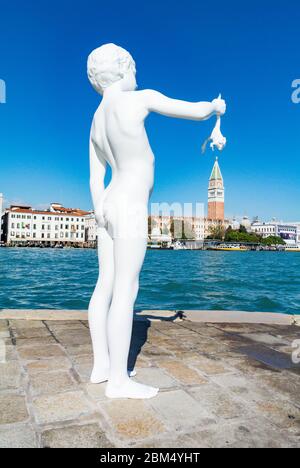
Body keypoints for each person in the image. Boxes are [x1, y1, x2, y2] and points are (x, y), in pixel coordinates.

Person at [87, 43, 226, 399]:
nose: (137, 74)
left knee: (105, 284)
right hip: (130, 201)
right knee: (126, 289)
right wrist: (214, 107)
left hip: (105, 203)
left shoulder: (96, 120)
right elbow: (191, 111)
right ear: (121, 69)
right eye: (133, 68)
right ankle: (119, 381)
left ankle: (101, 366)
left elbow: (94, 177)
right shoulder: (139, 98)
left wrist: (99, 206)